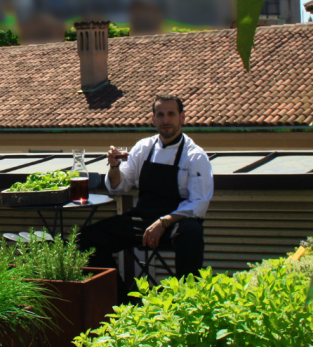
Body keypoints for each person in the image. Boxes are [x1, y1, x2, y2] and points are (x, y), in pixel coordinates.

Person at [77, 94, 214, 284]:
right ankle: (120, 300)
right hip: (143, 220)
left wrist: (164, 222)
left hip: (175, 223)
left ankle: (187, 299)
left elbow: (199, 203)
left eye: (171, 114)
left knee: (191, 232)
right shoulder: (143, 148)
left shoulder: (195, 156)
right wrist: (114, 166)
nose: (165, 120)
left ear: (182, 118)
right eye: (160, 115)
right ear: (153, 119)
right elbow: (118, 187)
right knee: (86, 239)